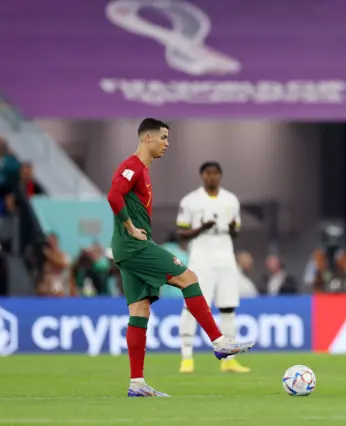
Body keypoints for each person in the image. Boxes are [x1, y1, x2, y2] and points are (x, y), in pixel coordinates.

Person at [106, 119, 253, 397]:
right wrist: (130, 227)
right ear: (147, 138)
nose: (167, 143)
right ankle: (219, 341)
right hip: (134, 245)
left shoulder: (143, 170)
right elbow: (114, 196)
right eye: (163, 137)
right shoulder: (132, 166)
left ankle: (136, 384)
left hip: (128, 249)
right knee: (189, 278)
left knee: (139, 311)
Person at [175, 161, 250, 374]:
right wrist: (201, 228)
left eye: (215, 173)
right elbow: (181, 232)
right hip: (201, 257)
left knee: (228, 308)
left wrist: (234, 229)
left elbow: (235, 231)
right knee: (192, 306)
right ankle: (187, 357)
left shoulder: (231, 200)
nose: (212, 177)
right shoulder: (190, 201)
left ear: (220, 175)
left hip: (226, 256)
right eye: (208, 174)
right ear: (202, 176)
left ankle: (229, 359)